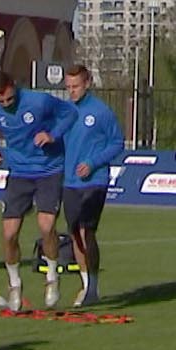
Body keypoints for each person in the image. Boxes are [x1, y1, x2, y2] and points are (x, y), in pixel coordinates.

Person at [0, 71, 77, 311]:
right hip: (19, 173)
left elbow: (70, 113)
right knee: (9, 234)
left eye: (10, 100)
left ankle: (52, 278)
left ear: (15, 86)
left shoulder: (39, 101)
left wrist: (52, 135)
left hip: (49, 170)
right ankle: (14, 285)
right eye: (1, 101)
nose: (6, 105)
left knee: (47, 227)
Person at [61, 64, 122, 308]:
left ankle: (92, 286)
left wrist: (93, 162)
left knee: (87, 230)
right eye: (68, 87)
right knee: (75, 232)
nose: (72, 91)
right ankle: (86, 285)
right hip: (69, 182)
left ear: (87, 84)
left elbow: (117, 143)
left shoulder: (101, 112)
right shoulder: (64, 112)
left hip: (94, 182)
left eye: (75, 86)